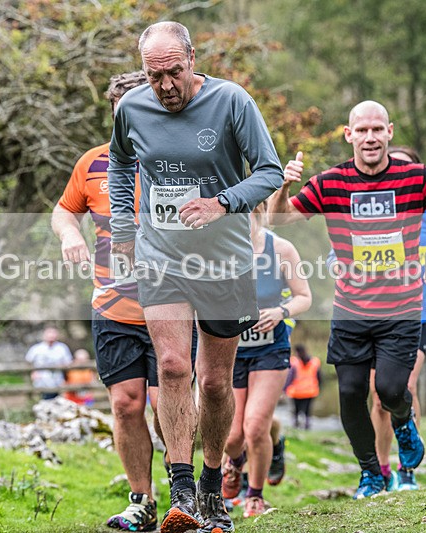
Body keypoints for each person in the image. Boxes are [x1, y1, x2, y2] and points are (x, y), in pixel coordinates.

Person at [108, 21, 284, 533]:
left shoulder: (232, 101)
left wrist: (223, 202)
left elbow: (269, 171)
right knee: (169, 366)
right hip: (161, 256)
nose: (164, 85)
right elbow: (120, 164)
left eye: (174, 72)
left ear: (191, 58)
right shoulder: (132, 109)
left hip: (224, 261)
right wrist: (123, 226)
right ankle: (180, 488)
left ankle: (212, 485)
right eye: (153, 75)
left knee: (212, 380)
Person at [269, 100, 426, 499]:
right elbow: (277, 218)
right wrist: (284, 186)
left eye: (377, 129)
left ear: (389, 132)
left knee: (389, 391)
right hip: (351, 312)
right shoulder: (331, 182)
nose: (370, 137)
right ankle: (370, 473)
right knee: (351, 394)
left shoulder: (416, 177)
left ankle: (404, 423)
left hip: (401, 309)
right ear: (348, 135)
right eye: (361, 130)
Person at [52, 71, 164, 531]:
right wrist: (69, 234)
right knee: (125, 404)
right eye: (122, 114)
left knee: (170, 405)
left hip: (173, 304)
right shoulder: (92, 163)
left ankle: (189, 492)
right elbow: (64, 209)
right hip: (113, 305)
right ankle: (142, 499)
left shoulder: (175, 158)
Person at [221, 201, 311, 518]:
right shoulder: (217, 249)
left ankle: (255, 496)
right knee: (232, 437)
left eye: (246, 210)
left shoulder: (281, 248)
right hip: (229, 353)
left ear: (258, 209)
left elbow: (304, 296)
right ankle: (233, 462)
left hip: (270, 350)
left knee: (255, 427)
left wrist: (279, 312)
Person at [369, 145, 426, 491]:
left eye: (403, 169)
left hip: (417, 312)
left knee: (404, 387)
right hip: (373, 313)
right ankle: (379, 470)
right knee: (377, 396)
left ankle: (408, 471)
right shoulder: (367, 209)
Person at [24, 327, 73, 401]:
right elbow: (28, 361)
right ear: (44, 336)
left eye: (53, 335)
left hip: (57, 380)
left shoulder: (62, 348)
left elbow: (68, 362)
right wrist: (33, 372)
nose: (51, 338)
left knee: (57, 401)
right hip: (41, 381)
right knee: (43, 400)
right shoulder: (36, 348)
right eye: (49, 335)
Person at [284, 344, 321, 430]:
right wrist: (319, 387)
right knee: (307, 411)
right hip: (310, 391)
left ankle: (296, 426)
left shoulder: (294, 362)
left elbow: (289, 377)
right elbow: (319, 377)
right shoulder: (315, 362)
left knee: (296, 410)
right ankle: (307, 426)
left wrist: (284, 389)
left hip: (296, 392)